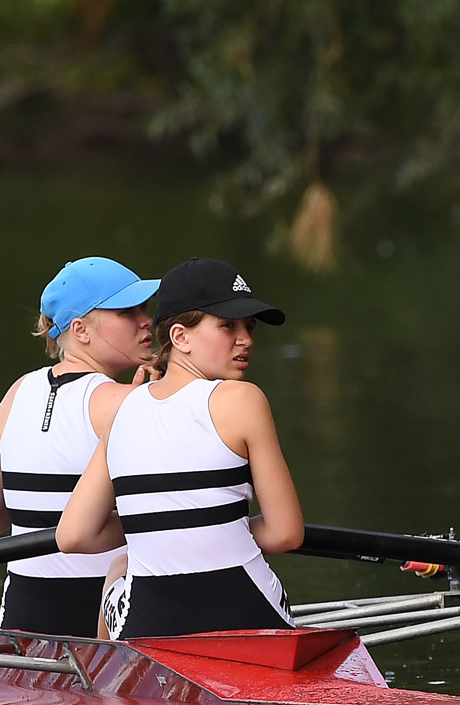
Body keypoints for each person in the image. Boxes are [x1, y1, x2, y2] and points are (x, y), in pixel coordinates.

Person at [57, 258, 303, 639]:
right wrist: (214, 530)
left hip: (149, 625)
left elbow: (73, 535)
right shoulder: (244, 399)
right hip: (249, 612)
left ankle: (107, 681)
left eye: (248, 327)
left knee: (119, 567)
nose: (246, 339)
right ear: (180, 337)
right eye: (227, 326)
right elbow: (287, 534)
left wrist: (159, 531)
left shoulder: (123, 409)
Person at [0, 257, 159, 637]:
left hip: (24, 617)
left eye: (144, 309)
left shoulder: (17, 393)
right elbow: (176, 517)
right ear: (80, 329)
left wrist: (33, 512)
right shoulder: (127, 401)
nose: (146, 321)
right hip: (107, 619)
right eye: (127, 311)